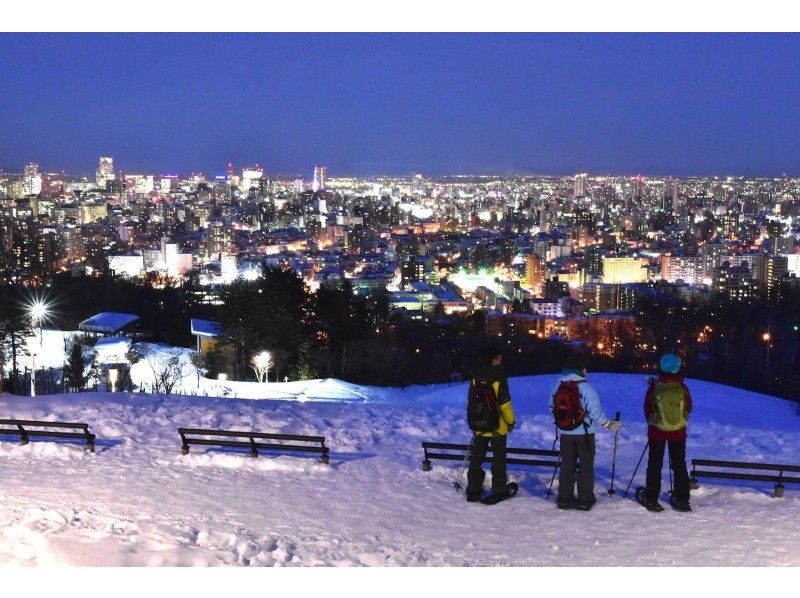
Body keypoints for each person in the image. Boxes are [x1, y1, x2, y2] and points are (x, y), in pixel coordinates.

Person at [549, 351, 620, 511]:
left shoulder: (558, 385)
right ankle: (584, 499)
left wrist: (563, 423)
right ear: (581, 369)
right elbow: (595, 413)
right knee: (586, 466)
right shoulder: (586, 387)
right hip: (585, 434)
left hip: (566, 434)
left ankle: (564, 499)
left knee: (567, 465)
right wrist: (609, 424)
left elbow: (551, 407)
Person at [638, 353, 693, 512]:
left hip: (657, 432)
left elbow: (647, 409)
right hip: (678, 432)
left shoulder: (655, 387)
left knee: (655, 464)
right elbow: (689, 407)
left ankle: (651, 497)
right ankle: (682, 499)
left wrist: (654, 421)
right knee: (679, 464)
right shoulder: (682, 388)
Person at [465, 345, 516, 504]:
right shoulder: (499, 376)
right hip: (497, 427)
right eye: (499, 357)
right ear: (493, 359)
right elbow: (505, 404)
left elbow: (471, 400)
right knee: (498, 459)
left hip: (479, 425)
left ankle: (473, 488)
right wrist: (511, 422)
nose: (501, 359)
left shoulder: (475, 376)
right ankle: (498, 489)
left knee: (477, 457)